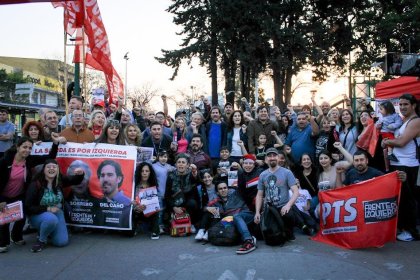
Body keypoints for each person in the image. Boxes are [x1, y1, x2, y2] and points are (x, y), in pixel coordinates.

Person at [0, 135, 64, 253]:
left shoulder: (29, 160)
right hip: (3, 194)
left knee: (21, 217)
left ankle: (16, 237)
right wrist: (1, 199)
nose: (27, 150)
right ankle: (3, 242)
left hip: (20, 194)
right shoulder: (5, 161)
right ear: (18, 147)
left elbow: (49, 157)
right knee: (4, 219)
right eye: (25, 147)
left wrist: (55, 144)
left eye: (30, 148)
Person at [254, 148, 314, 242]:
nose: (272, 158)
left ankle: (288, 230)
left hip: (283, 206)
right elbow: (259, 195)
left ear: (278, 158)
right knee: (262, 234)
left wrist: (288, 205)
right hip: (270, 209)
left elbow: (296, 191)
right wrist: (257, 212)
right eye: (269, 156)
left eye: (274, 155)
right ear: (266, 159)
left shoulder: (287, 172)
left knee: (289, 214)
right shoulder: (262, 175)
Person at [25, 159, 84, 252]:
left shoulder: (59, 180)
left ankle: (49, 230)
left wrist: (80, 174)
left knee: (61, 242)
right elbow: (28, 207)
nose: (51, 169)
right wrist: (47, 208)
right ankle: (41, 240)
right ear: (44, 169)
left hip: (57, 212)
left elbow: (75, 180)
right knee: (50, 219)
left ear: (57, 170)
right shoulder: (35, 184)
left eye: (54, 167)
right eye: (48, 167)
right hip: (38, 215)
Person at [383, 93, 420, 241]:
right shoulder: (405, 121)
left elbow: (402, 142)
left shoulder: (416, 121)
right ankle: (403, 228)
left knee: (408, 199)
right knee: (401, 199)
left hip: (408, 165)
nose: (403, 107)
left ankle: (411, 232)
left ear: (414, 105)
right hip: (398, 163)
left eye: (406, 104)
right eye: (401, 104)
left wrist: (387, 142)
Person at [209, 182, 258, 254]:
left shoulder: (236, 194)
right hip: (235, 221)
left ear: (228, 189)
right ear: (217, 192)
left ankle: (249, 241)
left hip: (247, 216)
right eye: (220, 189)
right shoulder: (217, 202)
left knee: (236, 216)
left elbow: (242, 184)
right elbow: (206, 208)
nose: (223, 190)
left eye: (225, 188)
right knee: (229, 221)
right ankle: (249, 237)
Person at [164, 154, 200, 232]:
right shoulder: (171, 176)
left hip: (188, 202)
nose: (181, 164)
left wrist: (195, 173)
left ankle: (192, 224)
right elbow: (167, 195)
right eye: (179, 162)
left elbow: (198, 181)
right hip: (175, 202)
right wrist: (174, 207)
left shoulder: (191, 174)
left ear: (187, 165)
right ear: (176, 165)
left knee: (193, 203)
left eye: (183, 162)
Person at [131, 162, 160, 239]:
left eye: (147, 171)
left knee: (156, 210)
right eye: (142, 171)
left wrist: (150, 206)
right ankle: (134, 228)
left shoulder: (153, 185)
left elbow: (157, 201)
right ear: (139, 172)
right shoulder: (134, 185)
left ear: (150, 173)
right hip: (137, 211)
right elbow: (131, 200)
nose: (144, 173)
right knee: (131, 211)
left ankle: (155, 231)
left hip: (150, 212)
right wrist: (136, 207)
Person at [194, 170, 218, 241]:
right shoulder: (199, 188)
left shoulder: (217, 186)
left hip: (218, 209)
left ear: (212, 177)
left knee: (215, 211)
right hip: (205, 210)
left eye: (209, 176)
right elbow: (199, 204)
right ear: (202, 179)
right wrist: (207, 208)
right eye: (204, 177)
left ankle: (208, 232)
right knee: (208, 211)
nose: (207, 179)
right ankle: (201, 231)